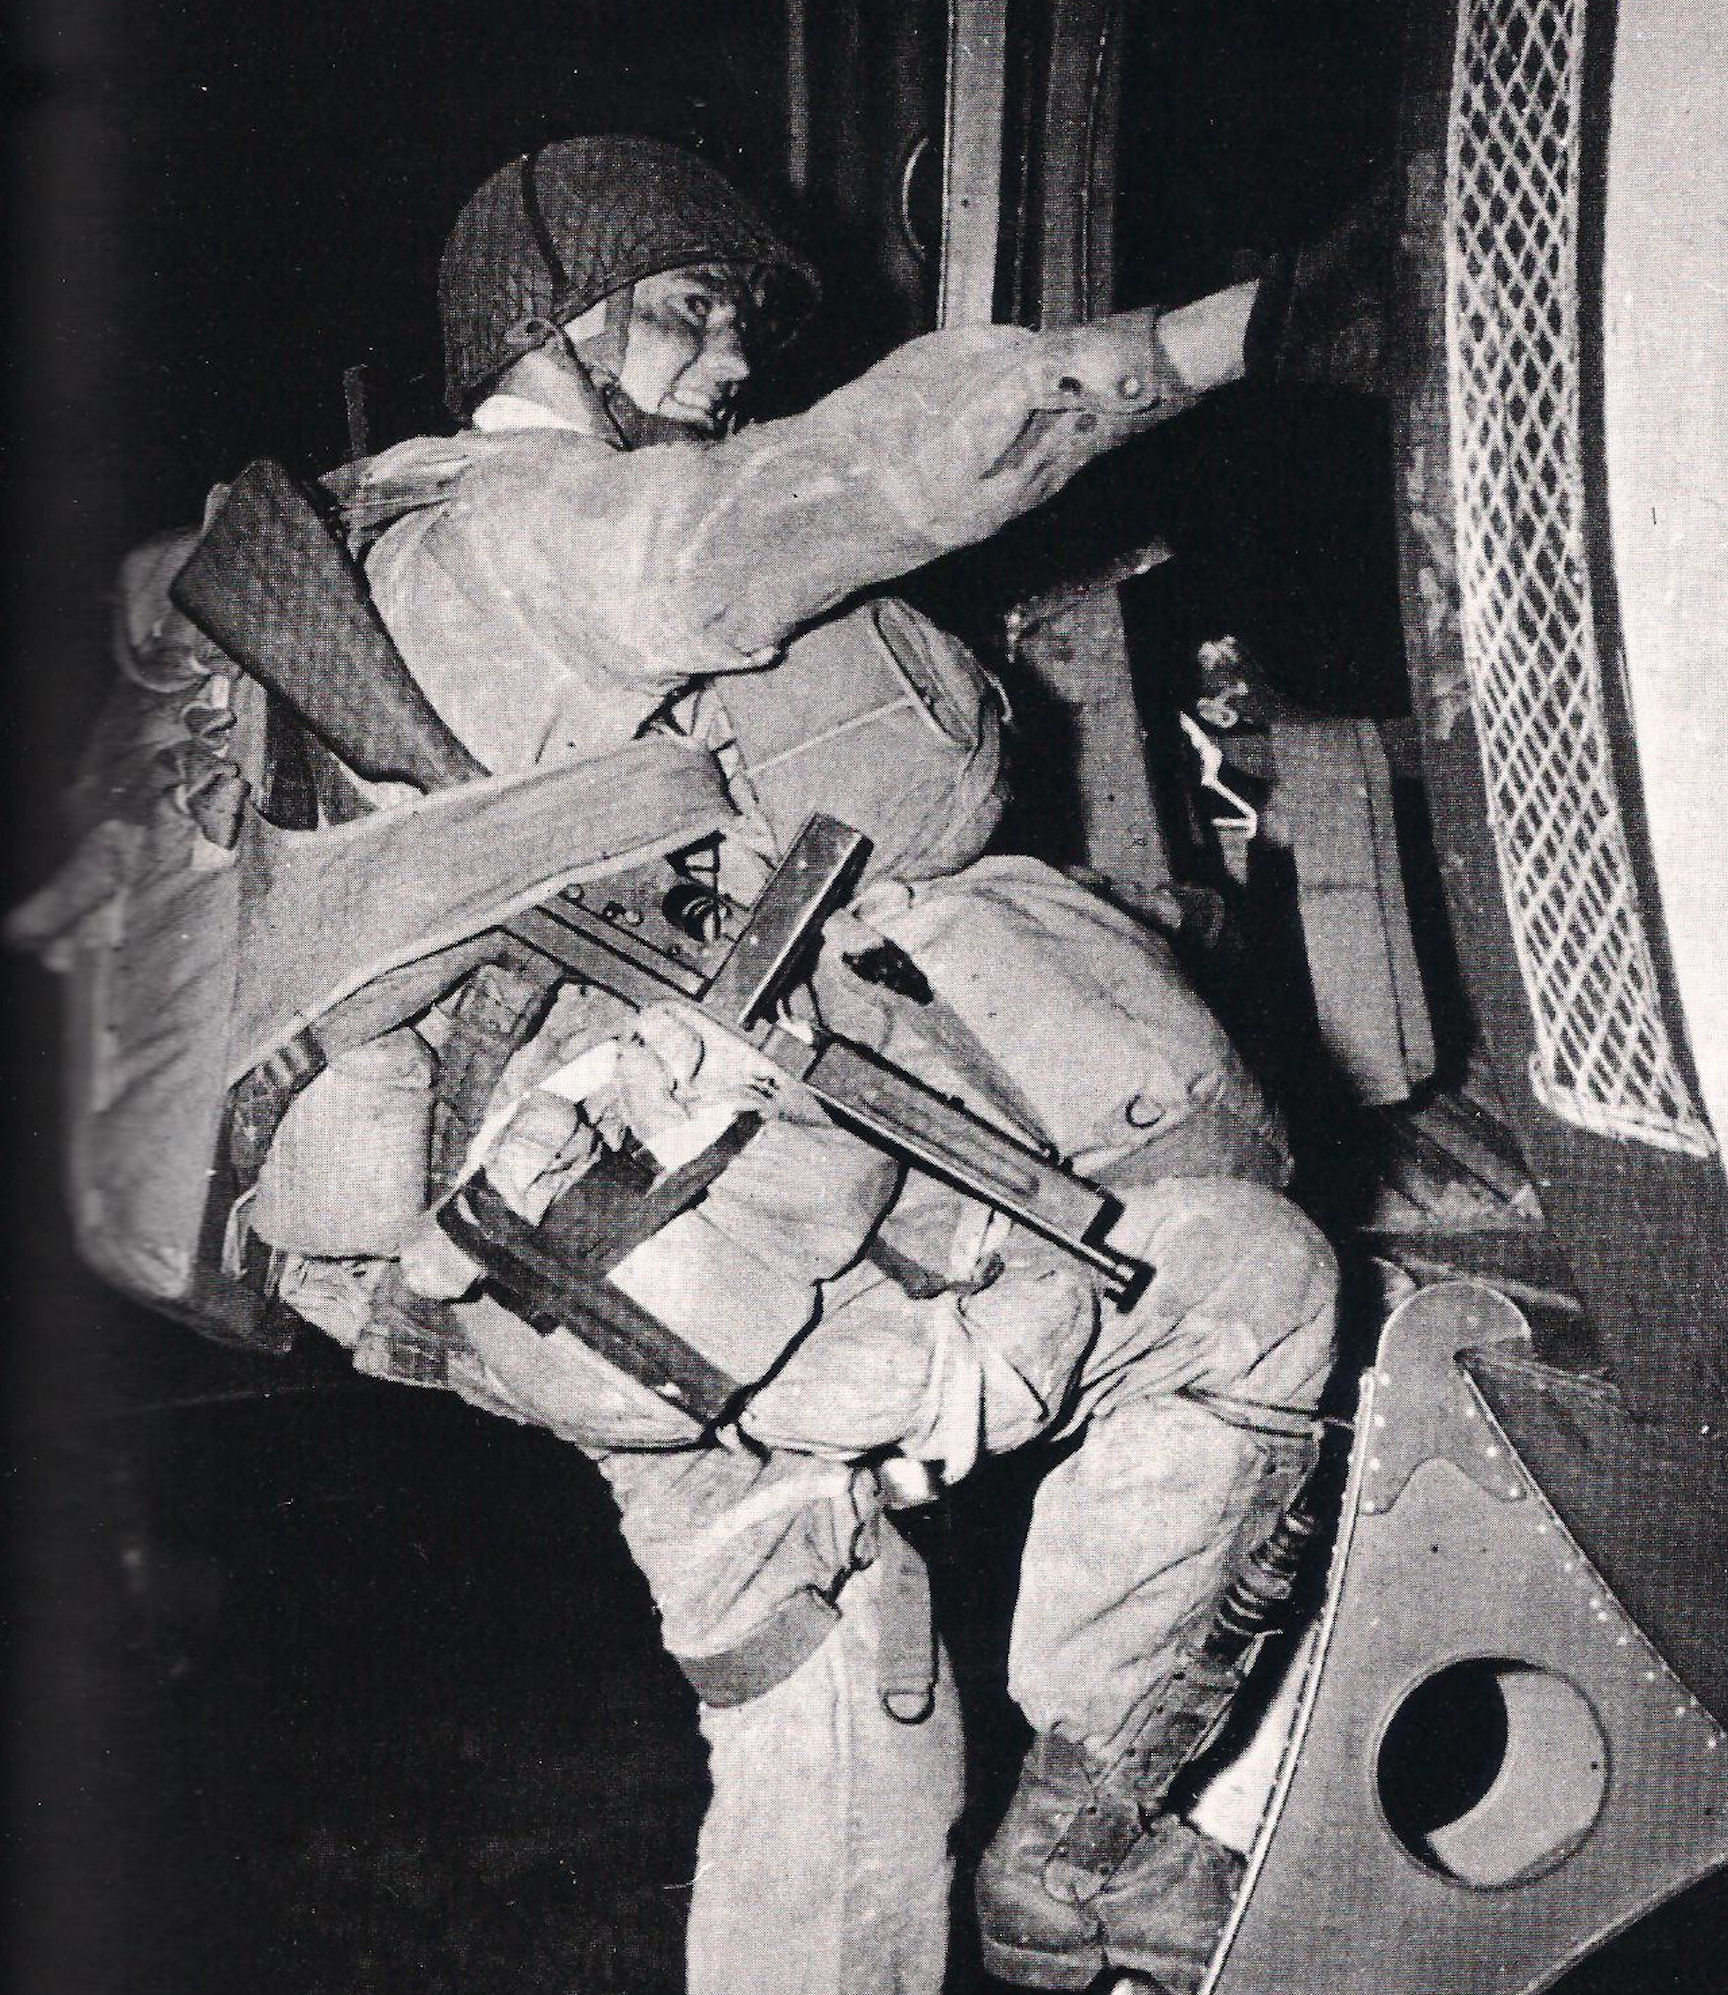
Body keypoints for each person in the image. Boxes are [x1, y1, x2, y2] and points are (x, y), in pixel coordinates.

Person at [253, 136, 1338, 1995]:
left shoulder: (408, 560)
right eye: (685, 315)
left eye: (739, 321)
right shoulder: (526, 537)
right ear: (550, 331)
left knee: (828, 1696)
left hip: (569, 1250)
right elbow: (825, 498)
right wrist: (1220, 339)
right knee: (1248, 1295)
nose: (729, 359)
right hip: (642, 1232)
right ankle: (1086, 1850)